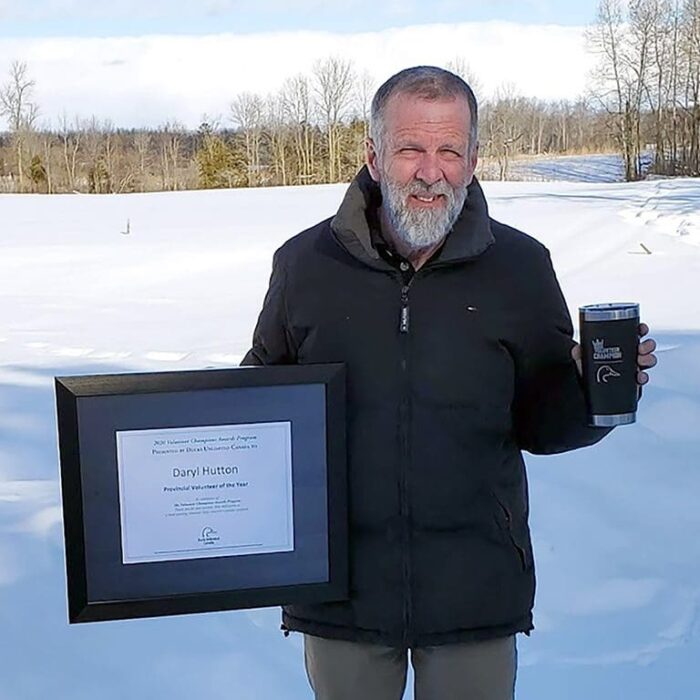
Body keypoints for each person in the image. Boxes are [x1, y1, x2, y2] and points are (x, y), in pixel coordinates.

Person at [242, 66, 658, 700]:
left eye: (449, 151)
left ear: (473, 160)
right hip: (343, 594)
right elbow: (261, 404)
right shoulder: (306, 264)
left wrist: (590, 388)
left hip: (476, 589)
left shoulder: (519, 267)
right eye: (410, 148)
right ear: (375, 158)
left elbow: (543, 424)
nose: (429, 171)